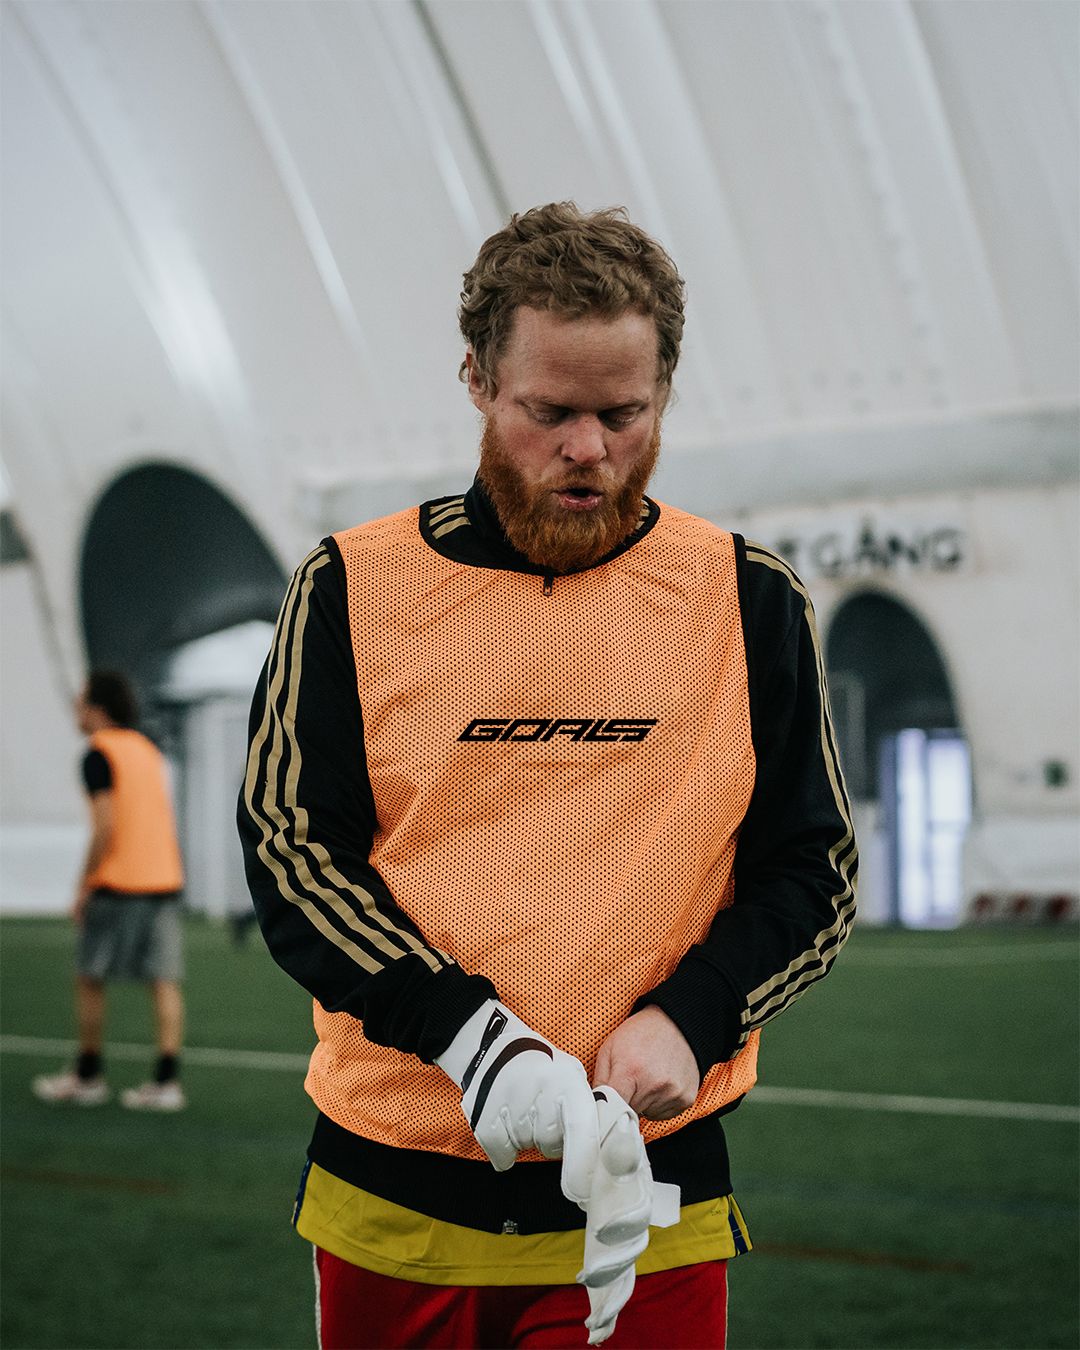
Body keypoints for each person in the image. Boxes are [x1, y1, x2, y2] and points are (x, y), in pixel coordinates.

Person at [238, 202, 856, 1349]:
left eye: (623, 413)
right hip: (397, 1191)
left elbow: (813, 874)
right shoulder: (350, 586)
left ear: (664, 391)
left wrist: (694, 1016)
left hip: (646, 1199)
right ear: (476, 378)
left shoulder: (747, 597)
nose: (589, 448)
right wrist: (473, 1041)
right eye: (550, 411)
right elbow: (292, 853)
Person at [33, 670, 187, 1112]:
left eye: (81, 703)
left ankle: (87, 1076)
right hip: (163, 878)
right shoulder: (146, 749)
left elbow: (105, 826)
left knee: (90, 977)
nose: (77, 711)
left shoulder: (99, 754)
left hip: (119, 882)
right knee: (164, 980)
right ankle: (166, 1082)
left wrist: (82, 886)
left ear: (97, 708)